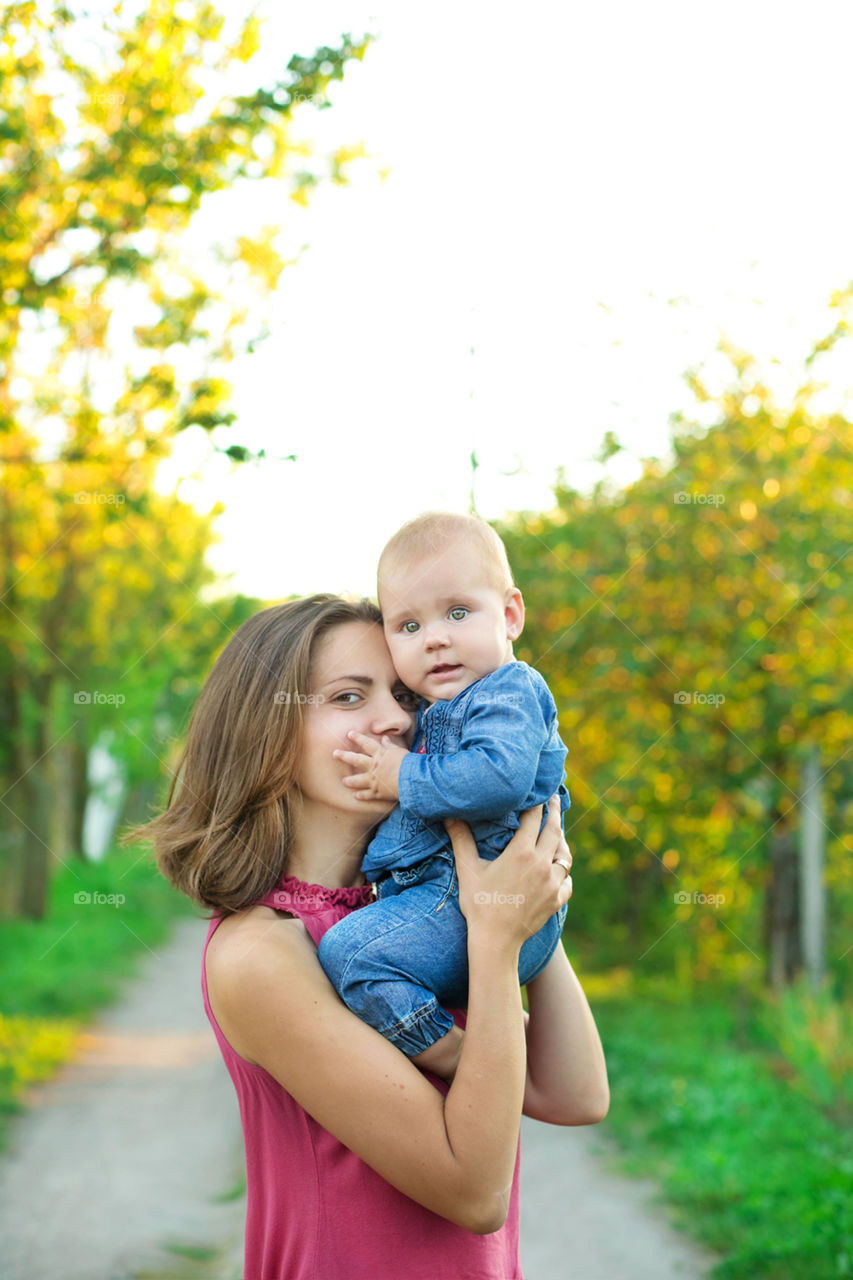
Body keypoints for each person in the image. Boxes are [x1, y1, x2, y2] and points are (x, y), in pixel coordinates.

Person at [126, 594, 609, 1280]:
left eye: (406, 699)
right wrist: (495, 947)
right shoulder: (263, 954)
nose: (394, 721)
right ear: (264, 737)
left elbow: (575, 1094)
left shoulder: (412, 917)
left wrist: (519, 898)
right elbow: (474, 1192)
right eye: (349, 697)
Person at [318, 512, 572, 1080]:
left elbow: (497, 778)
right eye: (407, 627)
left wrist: (402, 775)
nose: (435, 637)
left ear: (510, 616)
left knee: (352, 957)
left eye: (458, 613)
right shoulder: (438, 706)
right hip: (456, 901)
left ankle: (459, 1061)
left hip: (484, 902)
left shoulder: (510, 689)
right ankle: (473, 1056)